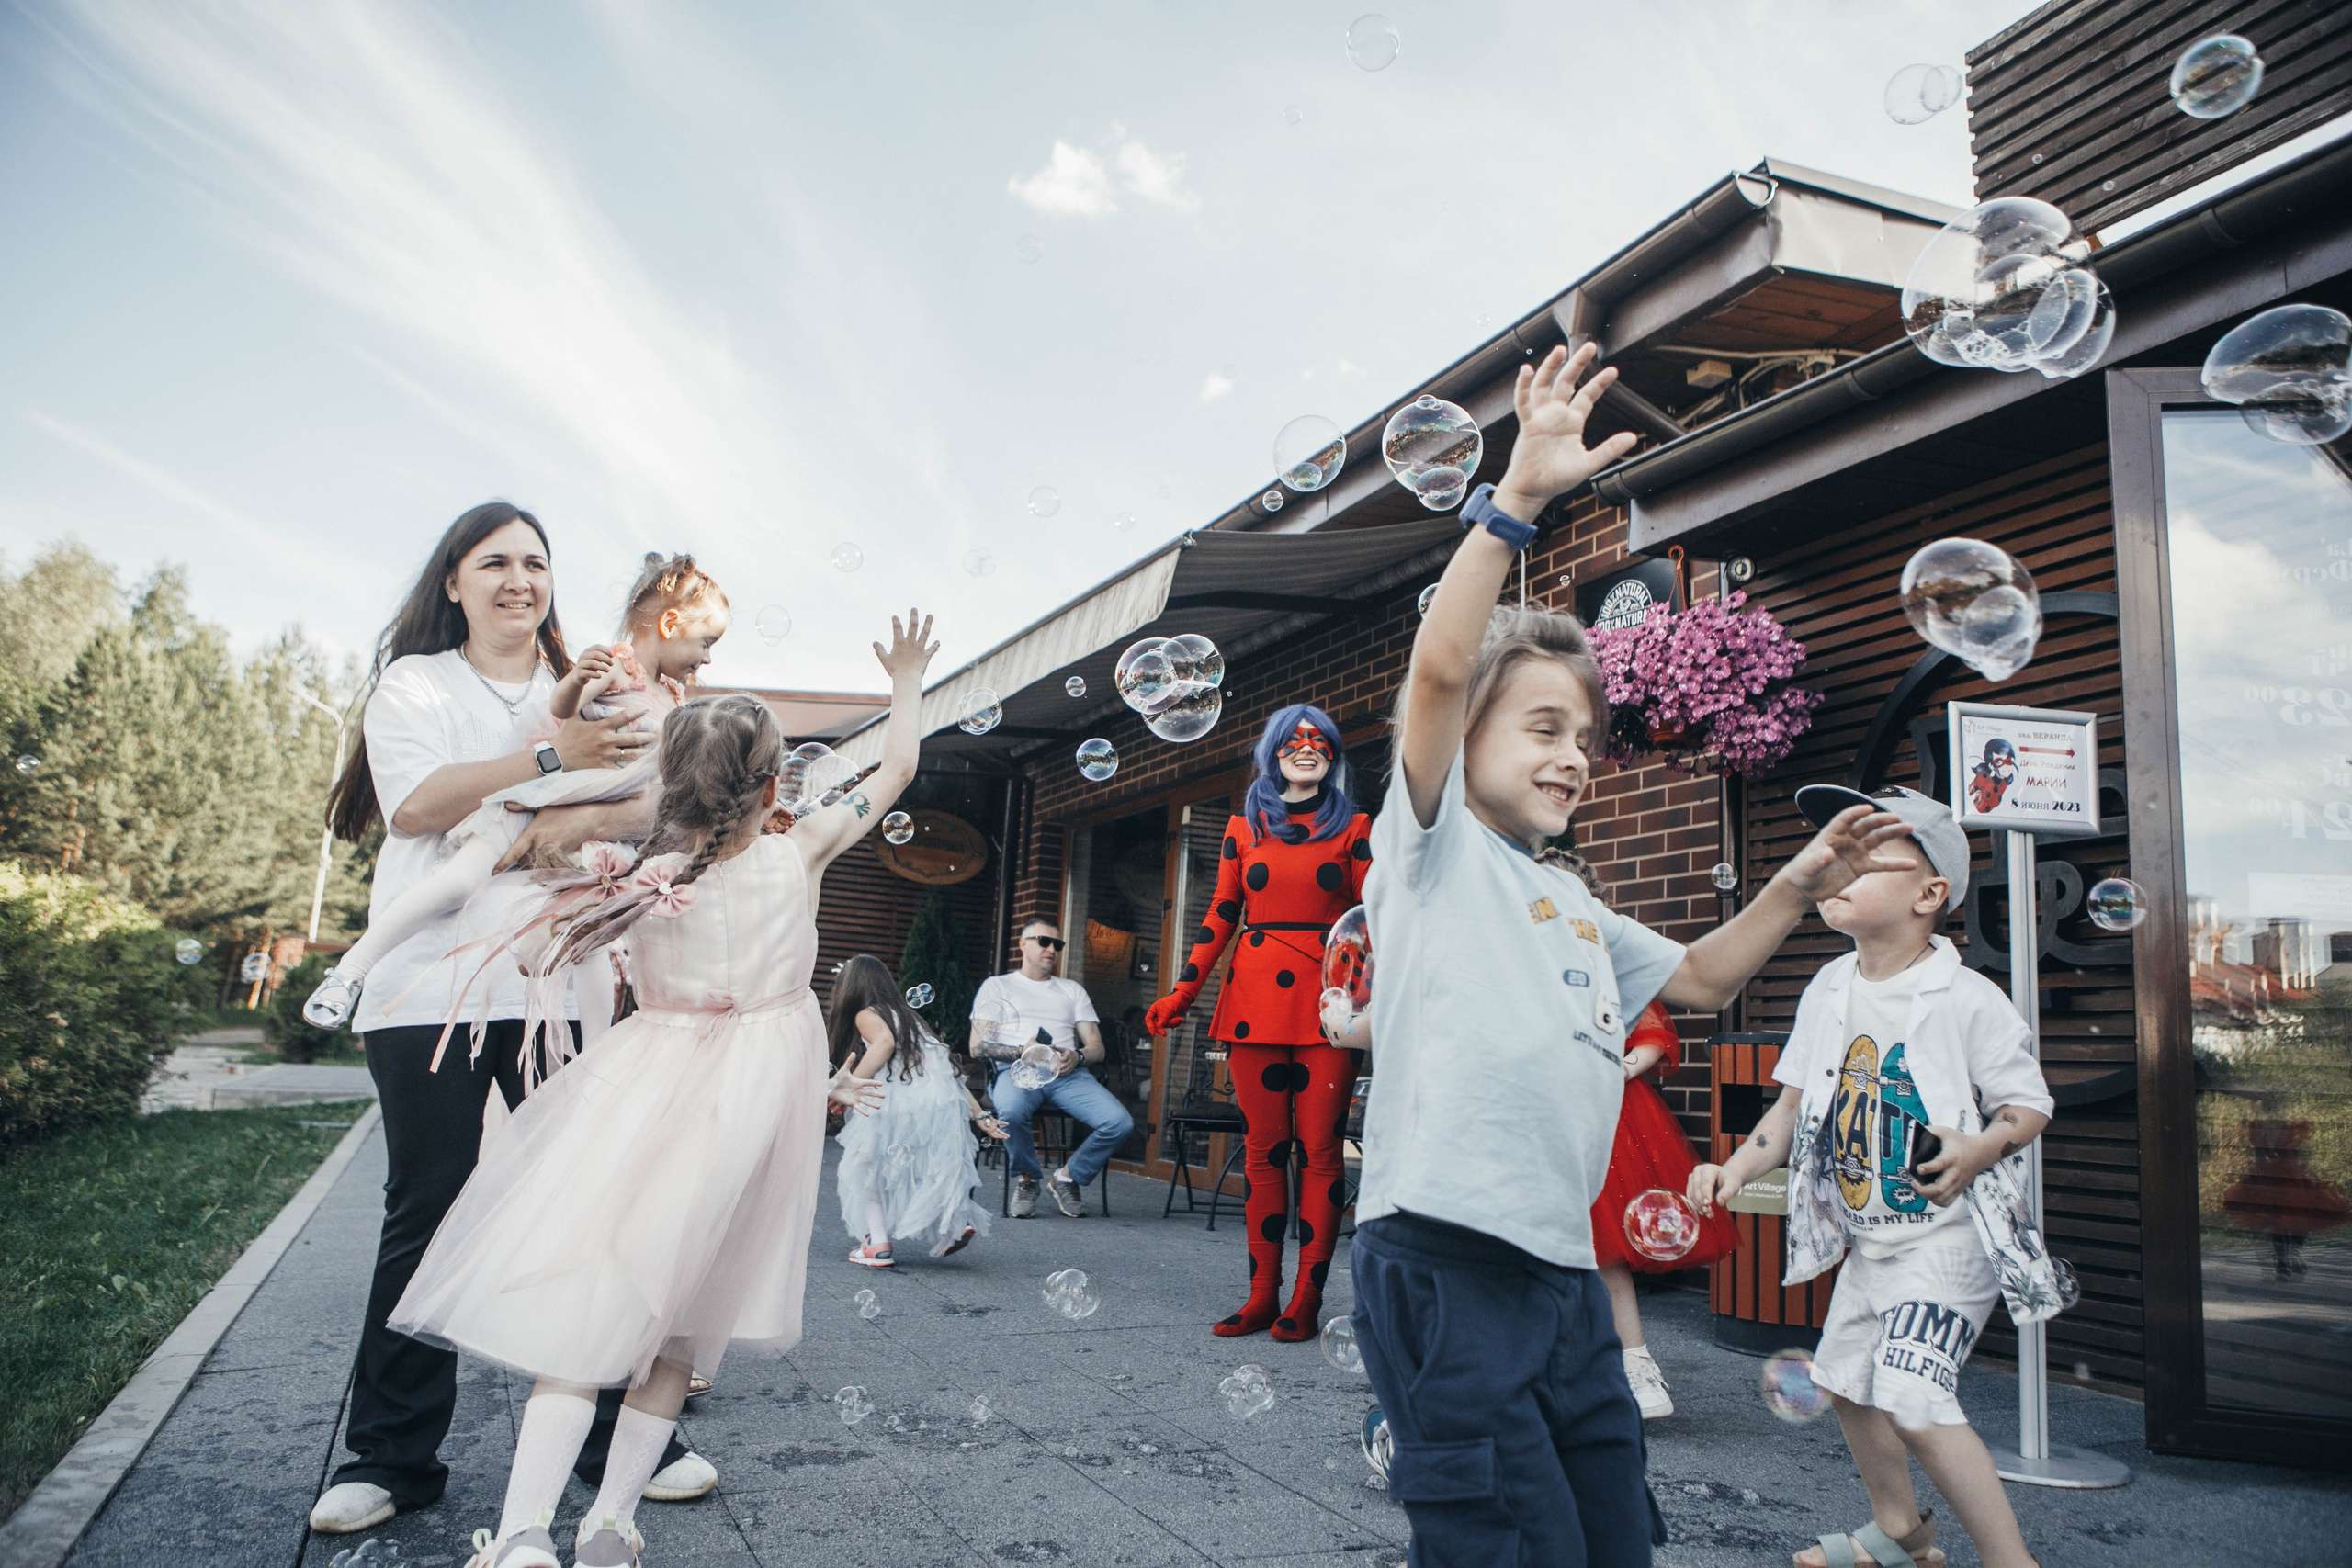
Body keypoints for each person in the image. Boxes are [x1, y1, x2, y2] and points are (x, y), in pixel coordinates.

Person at [1352, 341, 1918, 1568]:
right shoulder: (1431, 848)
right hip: (1446, 1252)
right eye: (1541, 726)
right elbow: (1440, 667)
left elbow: (1704, 979)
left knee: (1611, 1522)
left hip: (1562, 1267)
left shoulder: (1567, 899)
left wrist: (1792, 882)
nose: (1572, 754)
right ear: (1467, 735)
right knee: (1500, 1533)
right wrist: (1518, 497)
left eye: (1586, 736)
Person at [387, 610, 936, 1568]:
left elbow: (531, 954)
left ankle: (521, 1535)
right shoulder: (800, 849)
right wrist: (905, 681)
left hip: (638, 1090)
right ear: (773, 788)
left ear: (665, 783)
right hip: (748, 1102)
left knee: (589, 1305)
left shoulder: (638, 876)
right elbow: (896, 769)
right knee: (680, 1328)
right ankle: (610, 1522)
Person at [308, 505, 718, 1535]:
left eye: (535, 562)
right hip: (428, 987)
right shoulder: (416, 685)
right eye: (494, 561)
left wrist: (586, 810)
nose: (518, 579)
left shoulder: (590, 682)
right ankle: (391, 1457)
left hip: (556, 980)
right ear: (453, 581)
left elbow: (648, 800)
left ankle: (613, 1439)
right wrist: (548, 760)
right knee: (428, 1204)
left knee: (586, 1204)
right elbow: (418, 807)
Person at [1689, 784, 2061, 1568]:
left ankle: (2012, 1560)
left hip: (1949, 1240)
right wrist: (1735, 1165)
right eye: (1837, 852)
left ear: (1930, 894)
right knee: (1847, 1383)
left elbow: (2027, 1105)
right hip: (1870, 1240)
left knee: (1914, 1397)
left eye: (1869, 857)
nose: (1840, 866)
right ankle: (1901, 1532)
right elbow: (1792, 1108)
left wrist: (1979, 1147)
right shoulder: (1830, 987)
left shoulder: (1968, 997)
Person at [303, 552, 730, 1036]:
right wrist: (576, 681)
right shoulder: (619, 667)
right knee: (460, 880)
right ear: (670, 624)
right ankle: (350, 971)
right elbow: (561, 709)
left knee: (585, 933)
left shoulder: (674, 699)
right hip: (541, 793)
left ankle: (597, 1053)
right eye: (707, 642)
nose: (707, 658)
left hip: (593, 815)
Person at [1143, 704, 1373, 1340]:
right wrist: (1183, 990)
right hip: (1254, 1002)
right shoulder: (1244, 828)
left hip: (1329, 1005)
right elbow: (1222, 912)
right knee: (1264, 1150)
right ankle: (1261, 1294)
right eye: (1293, 740)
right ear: (1273, 751)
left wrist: (1368, 998)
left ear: (1332, 753)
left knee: (1321, 1150)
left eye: (1319, 740)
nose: (1307, 747)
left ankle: (1306, 1298)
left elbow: (1377, 918)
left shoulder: (1356, 826)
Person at [1541, 851, 1740, 1420]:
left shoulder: (1608, 962)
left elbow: (1652, 1033)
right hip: (1541, 1115)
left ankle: (1636, 1366)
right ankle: (1558, 1373)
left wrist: (1615, 1069)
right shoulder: (1523, 963)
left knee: (1604, 1249)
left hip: (1607, 1115)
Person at [829, 953, 1008, 1264]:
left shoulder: (867, 1013)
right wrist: (979, 1114)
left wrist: (850, 1085)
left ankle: (877, 1243)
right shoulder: (911, 1018)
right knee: (927, 1166)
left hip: (895, 1102)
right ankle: (953, 1225)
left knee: (867, 1168)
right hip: (938, 1103)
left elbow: (884, 1043)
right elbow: (947, 1072)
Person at [969, 919, 1132, 1218]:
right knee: (1011, 1112)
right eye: (1044, 941)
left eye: (1057, 944)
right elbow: (977, 1047)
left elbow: (1097, 1048)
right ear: (1023, 944)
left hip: (1067, 1075)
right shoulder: (998, 986)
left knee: (1118, 1122)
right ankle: (1028, 1179)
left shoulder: (1071, 990)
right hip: (1017, 1071)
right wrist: (1022, 1051)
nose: (1051, 949)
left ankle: (1067, 1178)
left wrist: (1078, 1056)